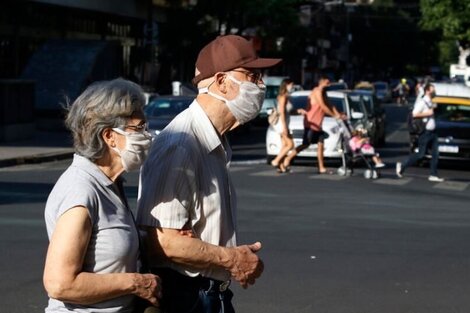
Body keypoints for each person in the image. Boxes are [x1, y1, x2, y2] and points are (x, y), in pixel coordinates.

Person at [136, 34, 281, 313]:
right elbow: (160, 242)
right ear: (222, 82)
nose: (260, 85)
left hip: (210, 295)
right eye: (252, 75)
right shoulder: (181, 145)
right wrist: (231, 258)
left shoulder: (213, 141)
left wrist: (223, 254)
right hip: (187, 298)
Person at [43, 78, 162, 312]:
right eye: (139, 128)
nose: (146, 136)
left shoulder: (110, 183)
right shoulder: (81, 191)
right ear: (109, 136)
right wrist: (136, 283)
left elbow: (110, 240)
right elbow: (60, 284)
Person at [282, 75, 344, 174]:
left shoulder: (323, 93)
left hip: (318, 124)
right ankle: (288, 159)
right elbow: (323, 106)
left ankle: (321, 167)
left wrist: (338, 114)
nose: (329, 82)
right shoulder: (317, 91)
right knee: (305, 144)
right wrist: (334, 115)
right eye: (328, 80)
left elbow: (330, 105)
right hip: (311, 123)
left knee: (321, 144)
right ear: (322, 81)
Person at [396, 83, 444, 182]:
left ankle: (433, 174)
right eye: (432, 90)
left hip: (433, 132)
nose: (434, 92)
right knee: (421, 154)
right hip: (425, 132)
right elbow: (414, 114)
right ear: (427, 91)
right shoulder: (422, 102)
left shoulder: (430, 102)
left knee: (435, 154)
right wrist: (428, 113)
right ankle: (402, 166)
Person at [270, 78, 295, 173]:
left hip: (284, 122)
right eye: (291, 85)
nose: (292, 87)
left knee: (284, 145)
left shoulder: (286, 96)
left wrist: (298, 111)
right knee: (290, 145)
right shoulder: (283, 97)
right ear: (286, 85)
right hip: (282, 123)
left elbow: (288, 111)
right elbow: (282, 113)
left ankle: (281, 166)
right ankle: (276, 161)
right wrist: (285, 127)